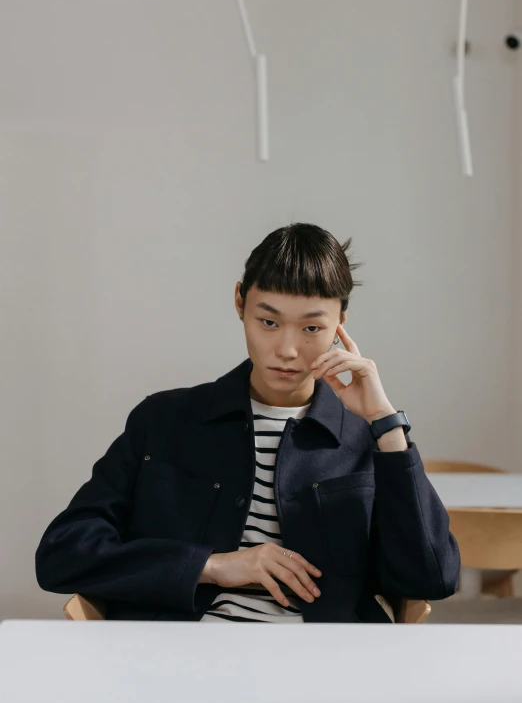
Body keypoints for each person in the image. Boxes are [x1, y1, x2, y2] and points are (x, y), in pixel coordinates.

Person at [35, 222, 460, 622]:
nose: (288, 350)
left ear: (340, 325)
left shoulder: (366, 438)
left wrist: (385, 424)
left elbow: (432, 579)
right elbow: (62, 554)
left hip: (325, 666)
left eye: (312, 327)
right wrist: (211, 565)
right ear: (240, 301)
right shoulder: (164, 420)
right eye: (269, 322)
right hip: (174, 656)